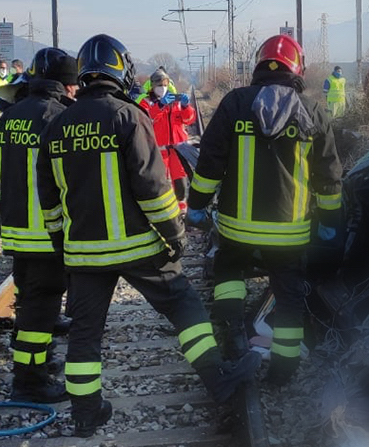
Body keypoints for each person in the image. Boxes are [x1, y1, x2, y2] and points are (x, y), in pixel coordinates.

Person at [36, 34, 261, 438]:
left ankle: (85, 414)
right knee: (184, 307)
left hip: (84, 254)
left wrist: (60, 245)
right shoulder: (129, 116)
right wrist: (174, 235)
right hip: (140, 247)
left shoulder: (57, 125)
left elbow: (48, 198)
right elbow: (153, 188)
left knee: (85, 334)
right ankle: (219, 379)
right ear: (120, 70)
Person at [186, 34, 343, 386]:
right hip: (290, 233)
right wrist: (331, 221)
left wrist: (196, 206)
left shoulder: (235, 104)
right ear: (298, 69)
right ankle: (283, 371)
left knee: (229, 274)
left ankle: (233, 340)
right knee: (288, 298)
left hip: (236, 229)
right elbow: (329, 177)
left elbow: (210, 165)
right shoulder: (312, 111)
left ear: (259, 65)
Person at [0, 47, 80, 403]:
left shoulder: (11, 115)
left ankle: (39, 363)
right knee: (41, 309)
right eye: (74, 85)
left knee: (31, 301)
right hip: (48, 232)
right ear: (66, 85)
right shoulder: (60, 117)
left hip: (16, 230)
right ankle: (30, 381)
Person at [139, 68, 196, 214]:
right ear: (153, 86)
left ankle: (181, 209)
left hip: (178, 148)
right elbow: (145, 120)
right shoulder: (146, 103)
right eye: (159, 85)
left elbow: (189, 120)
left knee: (180, 181)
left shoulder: (175, 102)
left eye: (165, 84)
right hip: (158, 149)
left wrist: (186, 107)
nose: (162, 88)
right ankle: (164, 211)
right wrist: (160, 106)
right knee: (161, 182)